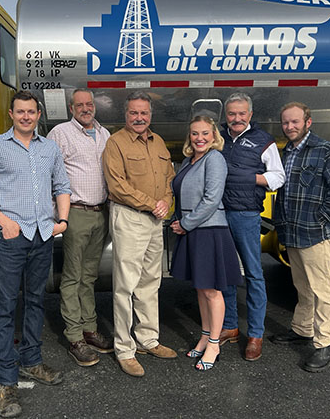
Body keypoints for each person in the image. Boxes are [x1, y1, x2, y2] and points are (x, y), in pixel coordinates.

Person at [0, 90, 71, 418]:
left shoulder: (49, 148)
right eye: (20, 112)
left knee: (36, 302)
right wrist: (4, 222)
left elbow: (62, 187)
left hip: (43, 236)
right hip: (12, 240)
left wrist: (63, 221)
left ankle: (31, 362)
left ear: (38, 114)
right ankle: (6, 382)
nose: (26, 116)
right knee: (4, 308)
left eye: (31, 111)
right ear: (11, 114)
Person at [271, 101, 330, 373]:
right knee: (302, 285)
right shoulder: (287, 152)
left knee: (321, 288)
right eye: (285, 122)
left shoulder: (325, 150)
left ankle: (325, 343)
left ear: (308, 122)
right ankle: (303, 329)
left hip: (315, 232)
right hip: (292, 231)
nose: (289, 127)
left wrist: (322, 220)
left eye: (294, 122)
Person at [102, 91, 177, 378]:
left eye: (144, 113)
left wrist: (166, 202)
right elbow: (117, 185)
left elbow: (169, 178)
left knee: (150, 281)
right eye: (134, 113)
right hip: (130, 218)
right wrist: (152, 204)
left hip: (154, 220)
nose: (139, 117)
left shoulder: (158, 142)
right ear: (125, 114)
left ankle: (147, 338)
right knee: (125, 286)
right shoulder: (115, 143)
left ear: (150, 114)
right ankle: (125, 348)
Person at [169, 115, 242, 371]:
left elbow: (212, 199)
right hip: (192, 231)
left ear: (213, 135)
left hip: (209, 230)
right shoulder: (189, 161)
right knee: (201, 288)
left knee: (212, 291)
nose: (199, 138)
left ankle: (214, 344)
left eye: (204, 133)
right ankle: (204, 335)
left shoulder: (215, 158)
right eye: (194, 133)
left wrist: (186, 224)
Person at [47, 89, 113, 367]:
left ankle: (89, 329)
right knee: (72, 277)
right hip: (75, 212)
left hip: (101, 213)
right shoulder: (60, 134)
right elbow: (48, 172)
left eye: (89, 104)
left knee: (89, 277)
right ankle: (74, 337)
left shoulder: (105, 134)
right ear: (71, 108)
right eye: (79, 105)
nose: (85, 109)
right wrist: (55, 215)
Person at [219, 93, 285, 361]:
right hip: (220, 213)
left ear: (250, 114)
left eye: (241, 114)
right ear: (226, 116)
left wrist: (251, 178)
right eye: (232, 114)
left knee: (254, 275)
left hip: (246, 215)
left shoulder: (263, 140)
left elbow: (278, 176)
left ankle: (255, 334)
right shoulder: (217, 138)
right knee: (226, 273)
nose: (236, 118)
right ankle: (231, 326)